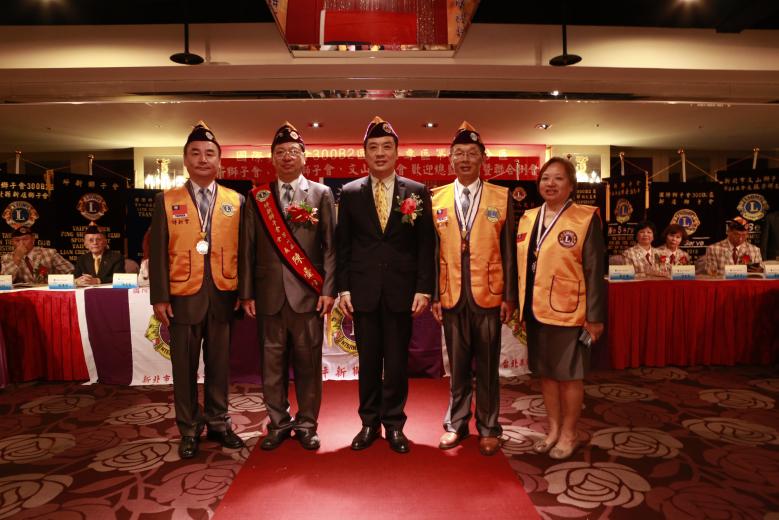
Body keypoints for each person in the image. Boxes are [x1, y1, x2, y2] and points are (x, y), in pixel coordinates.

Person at [336, 116, 435, 454]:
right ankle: (368, 423)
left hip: (401, 292)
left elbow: (425, 245)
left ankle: (394, 424)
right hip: (363, 291)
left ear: (396, 152)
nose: (380, 153)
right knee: (367, 362)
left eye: (386, 147)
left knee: (395, 363)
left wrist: (423, 288)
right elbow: (343, 246)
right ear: (364, 154)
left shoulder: (416, 191)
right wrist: (344, 289)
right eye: (373, 148)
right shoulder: (351, 193)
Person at [149, 121, 245, 459]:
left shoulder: (236, 200)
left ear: (220, 160)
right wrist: (160, 297)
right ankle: (189, 428)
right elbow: (158, 251)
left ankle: (219, 422)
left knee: (219, 366)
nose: (203, 159)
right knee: (184, 368)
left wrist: (244, 292)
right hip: (182, 297)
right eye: (195, 153)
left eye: (209, 153)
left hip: (223, 294)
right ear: (185, 160)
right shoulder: (166, 200)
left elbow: (244, 252)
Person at [239, 122, 336, 451]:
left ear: (304, 157)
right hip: (268, 297)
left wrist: (328, 290)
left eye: (293, 151)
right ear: (272, 158)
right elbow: (248, 248)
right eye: (280, 152)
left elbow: (331, 247)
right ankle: (278, 423)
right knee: (272, 365)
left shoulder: (321, 194)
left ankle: (307, 424)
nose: (287, 157)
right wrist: (247, 293)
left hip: (308, 297)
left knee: (308, 364)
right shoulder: (258, 197)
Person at [430, 122, 517, 456]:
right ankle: (456, 423)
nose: (465, 159)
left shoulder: (501, 196)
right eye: (459, 154)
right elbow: (433, 251)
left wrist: (509, 296)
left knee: (488, 366)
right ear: (450, 159)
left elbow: (509, 251)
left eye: (471, 153)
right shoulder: (436, 197)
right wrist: (435, 295)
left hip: (489, 295)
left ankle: (490, 427)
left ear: (483, 158)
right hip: (452, 294)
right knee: (458, 366)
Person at [517, 157, 606, 460]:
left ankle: (570, 433)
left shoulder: (585, 218)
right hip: (536, 310)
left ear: (571, 185)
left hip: (571, 312)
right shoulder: (528, 217)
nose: (550, 184)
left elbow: (594, 271)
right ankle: (553, 429)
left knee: (569, 376)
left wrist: (594, 318)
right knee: (546, 374)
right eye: (545, 178)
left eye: (558, 178)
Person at [0, 226, 73, 283]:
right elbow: (4, 282)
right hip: (23, 296)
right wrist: (17, 258)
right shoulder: (6, 258)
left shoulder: (49, 253)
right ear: (12, 242)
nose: (21, 243)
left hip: (48, 293)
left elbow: (71, 271)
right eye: (17, 240)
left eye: (25, 239)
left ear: (33, 239)